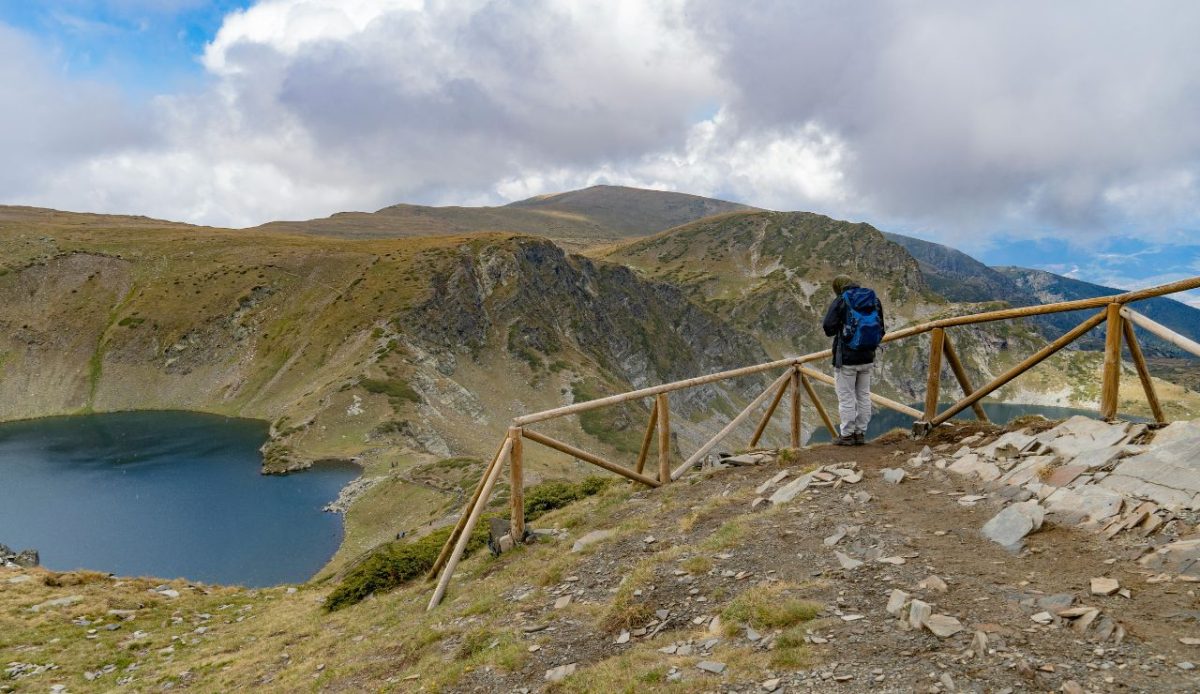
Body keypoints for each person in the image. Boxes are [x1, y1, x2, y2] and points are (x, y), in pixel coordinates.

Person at [822, 275, 885, 446]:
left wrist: (842, 331)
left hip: (847, 359)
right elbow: (881, 329)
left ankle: (847, 435)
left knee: (846, 398)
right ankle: (860, 434)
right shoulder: (872, 299)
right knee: (864, 396)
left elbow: (828, 327)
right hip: (867, 357)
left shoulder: (842, 300)